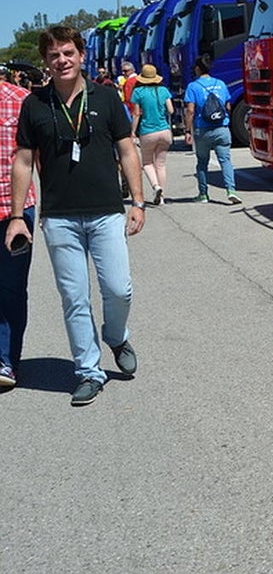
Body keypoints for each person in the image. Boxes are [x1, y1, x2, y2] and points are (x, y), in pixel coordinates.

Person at [5, 26, 145, 406]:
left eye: (68, 53)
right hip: (61, 217)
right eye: (54, 56)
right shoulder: (35, 104)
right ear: (46, 63)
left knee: (119, 288)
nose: (62, 60)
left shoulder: (107, 97)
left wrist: (138, 200)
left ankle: (115, 335)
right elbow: (22, 160)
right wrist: (18, 216)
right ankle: (88, 370)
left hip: (106, 213)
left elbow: (127, 150)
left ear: (81, 55)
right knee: (74, 297)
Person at [1, 65, 36, 389]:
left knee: (11, 289)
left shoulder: (22, 100)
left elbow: (39, 158)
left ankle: (7, 360)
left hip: (15, 211)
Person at [183, 58, 241, 204]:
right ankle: (231, 190)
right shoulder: (220, 84)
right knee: (225, 160)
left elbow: (190, 110)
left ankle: (203, 194)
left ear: (197, 69)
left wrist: (188, 131)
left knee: (202, 162)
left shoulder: (193, 86)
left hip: (202, 129)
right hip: (221, 128)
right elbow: (228, 106)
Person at [130, 64, 175, 205]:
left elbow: (136, 114)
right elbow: (171, 110)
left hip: (147, 131)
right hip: (164, 131)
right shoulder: (163, 90)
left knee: (147, 162)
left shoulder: (138, 92)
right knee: (160, 164)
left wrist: (132, 132)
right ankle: (162, 198)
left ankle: (156, 187)